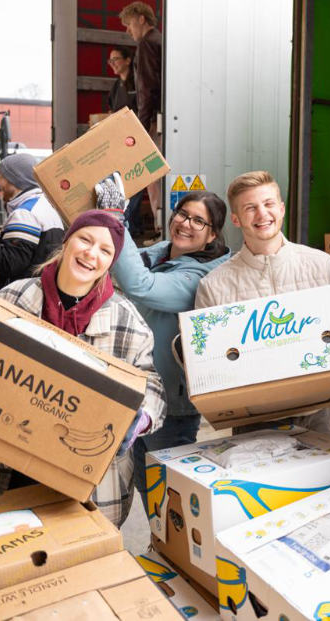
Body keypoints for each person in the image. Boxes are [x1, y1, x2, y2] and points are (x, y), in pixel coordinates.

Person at [0, 210, 166, 526]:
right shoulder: (13, 298)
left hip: (91, 475)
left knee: (84, 558)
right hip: (19, 460)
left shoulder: (126, 320)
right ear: (66, 241)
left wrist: (141, 418)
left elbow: (151, 382)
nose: (91, 254)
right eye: (85, 239)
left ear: (110, 262)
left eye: (105, 250)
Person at [194, 171, 330, 436]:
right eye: (250, 208)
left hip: (317, 413)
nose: (262, 214)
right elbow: (207, 362)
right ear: (236, 219)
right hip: (253, 419)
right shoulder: (214, 286)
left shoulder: (321, 266)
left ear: (282, 209)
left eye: (268, 204)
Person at [105, 187, 231, 507]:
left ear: (212, 234)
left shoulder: (203, 275)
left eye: (198, 222)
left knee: (166, 493)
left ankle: (171, 551)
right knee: (144, 482)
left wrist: (117, 220)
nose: (185, 224)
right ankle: (156, 548)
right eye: (182, 214)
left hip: (172, 405)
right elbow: (125, 262)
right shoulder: (166, 251)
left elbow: (140, 285)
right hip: (138, 389)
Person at [0, 153, 64, 291]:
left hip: (21, 296)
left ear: (15, 179)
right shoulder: (42, 205)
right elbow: (21, 247)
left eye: (1, 177)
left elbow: (9, 263)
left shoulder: (25, 214)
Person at [120, 2, 163, 219]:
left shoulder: (147, 43)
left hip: (154, 121)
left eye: (129, 24)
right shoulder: (160, 41)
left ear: (141, 19)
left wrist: (142, 126)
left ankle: (159, 227)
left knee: (152, 173)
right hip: (160, 118)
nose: (128, 31)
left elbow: (147, 88)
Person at [107, 46, 147, 237]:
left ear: (128, 60)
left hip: (137, 140)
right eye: (110, 61)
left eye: (116, 59)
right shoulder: (116, 86)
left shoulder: (137, 83)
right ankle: (131, 224)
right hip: (119, 141)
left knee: (137, 181)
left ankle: (131, 224)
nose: (113, 64)